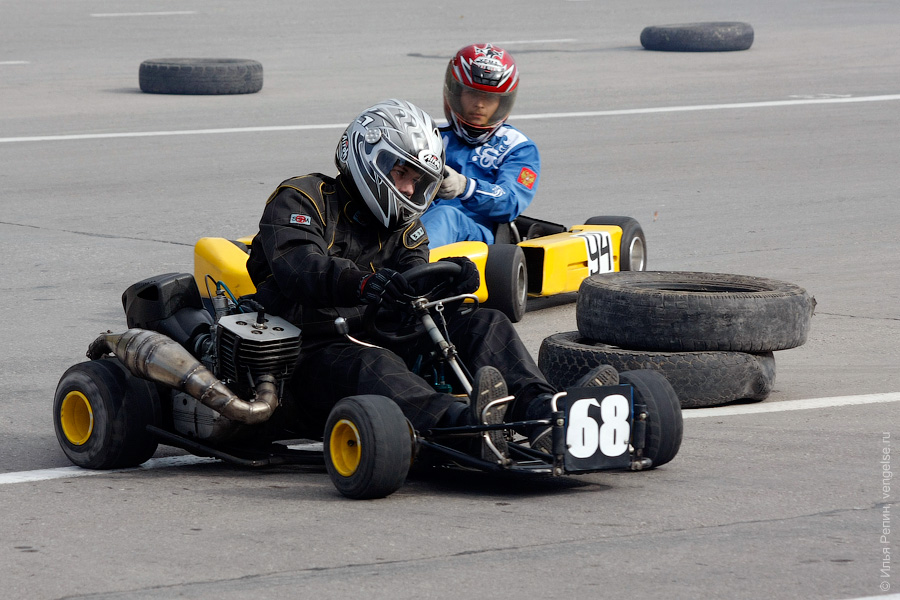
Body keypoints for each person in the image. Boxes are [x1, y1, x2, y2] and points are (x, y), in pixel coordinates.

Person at [245, 99, 583, 462]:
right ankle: (467, 429)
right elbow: (299, 268)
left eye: (417, 180)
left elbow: (412, 280)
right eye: (402, 173)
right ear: (370, 159)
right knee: (375, 364)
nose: (408, 189)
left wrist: (450, 281)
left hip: (382, 335)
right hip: (308, 354)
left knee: (486, 323)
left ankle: (545, 413)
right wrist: (364, 284)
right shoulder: (303, 198)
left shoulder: (405, 228)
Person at [419, 43, 540, 248]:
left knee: (446, 216)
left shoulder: (518, 148)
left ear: (502, 102)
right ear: (456, 93)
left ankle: (410, 264)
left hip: (478, 239)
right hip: (417, 225)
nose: (480, 105)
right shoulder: (429, 137)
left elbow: (511, 201)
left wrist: (465, 187)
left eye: (490, 98)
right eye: (472, 94)